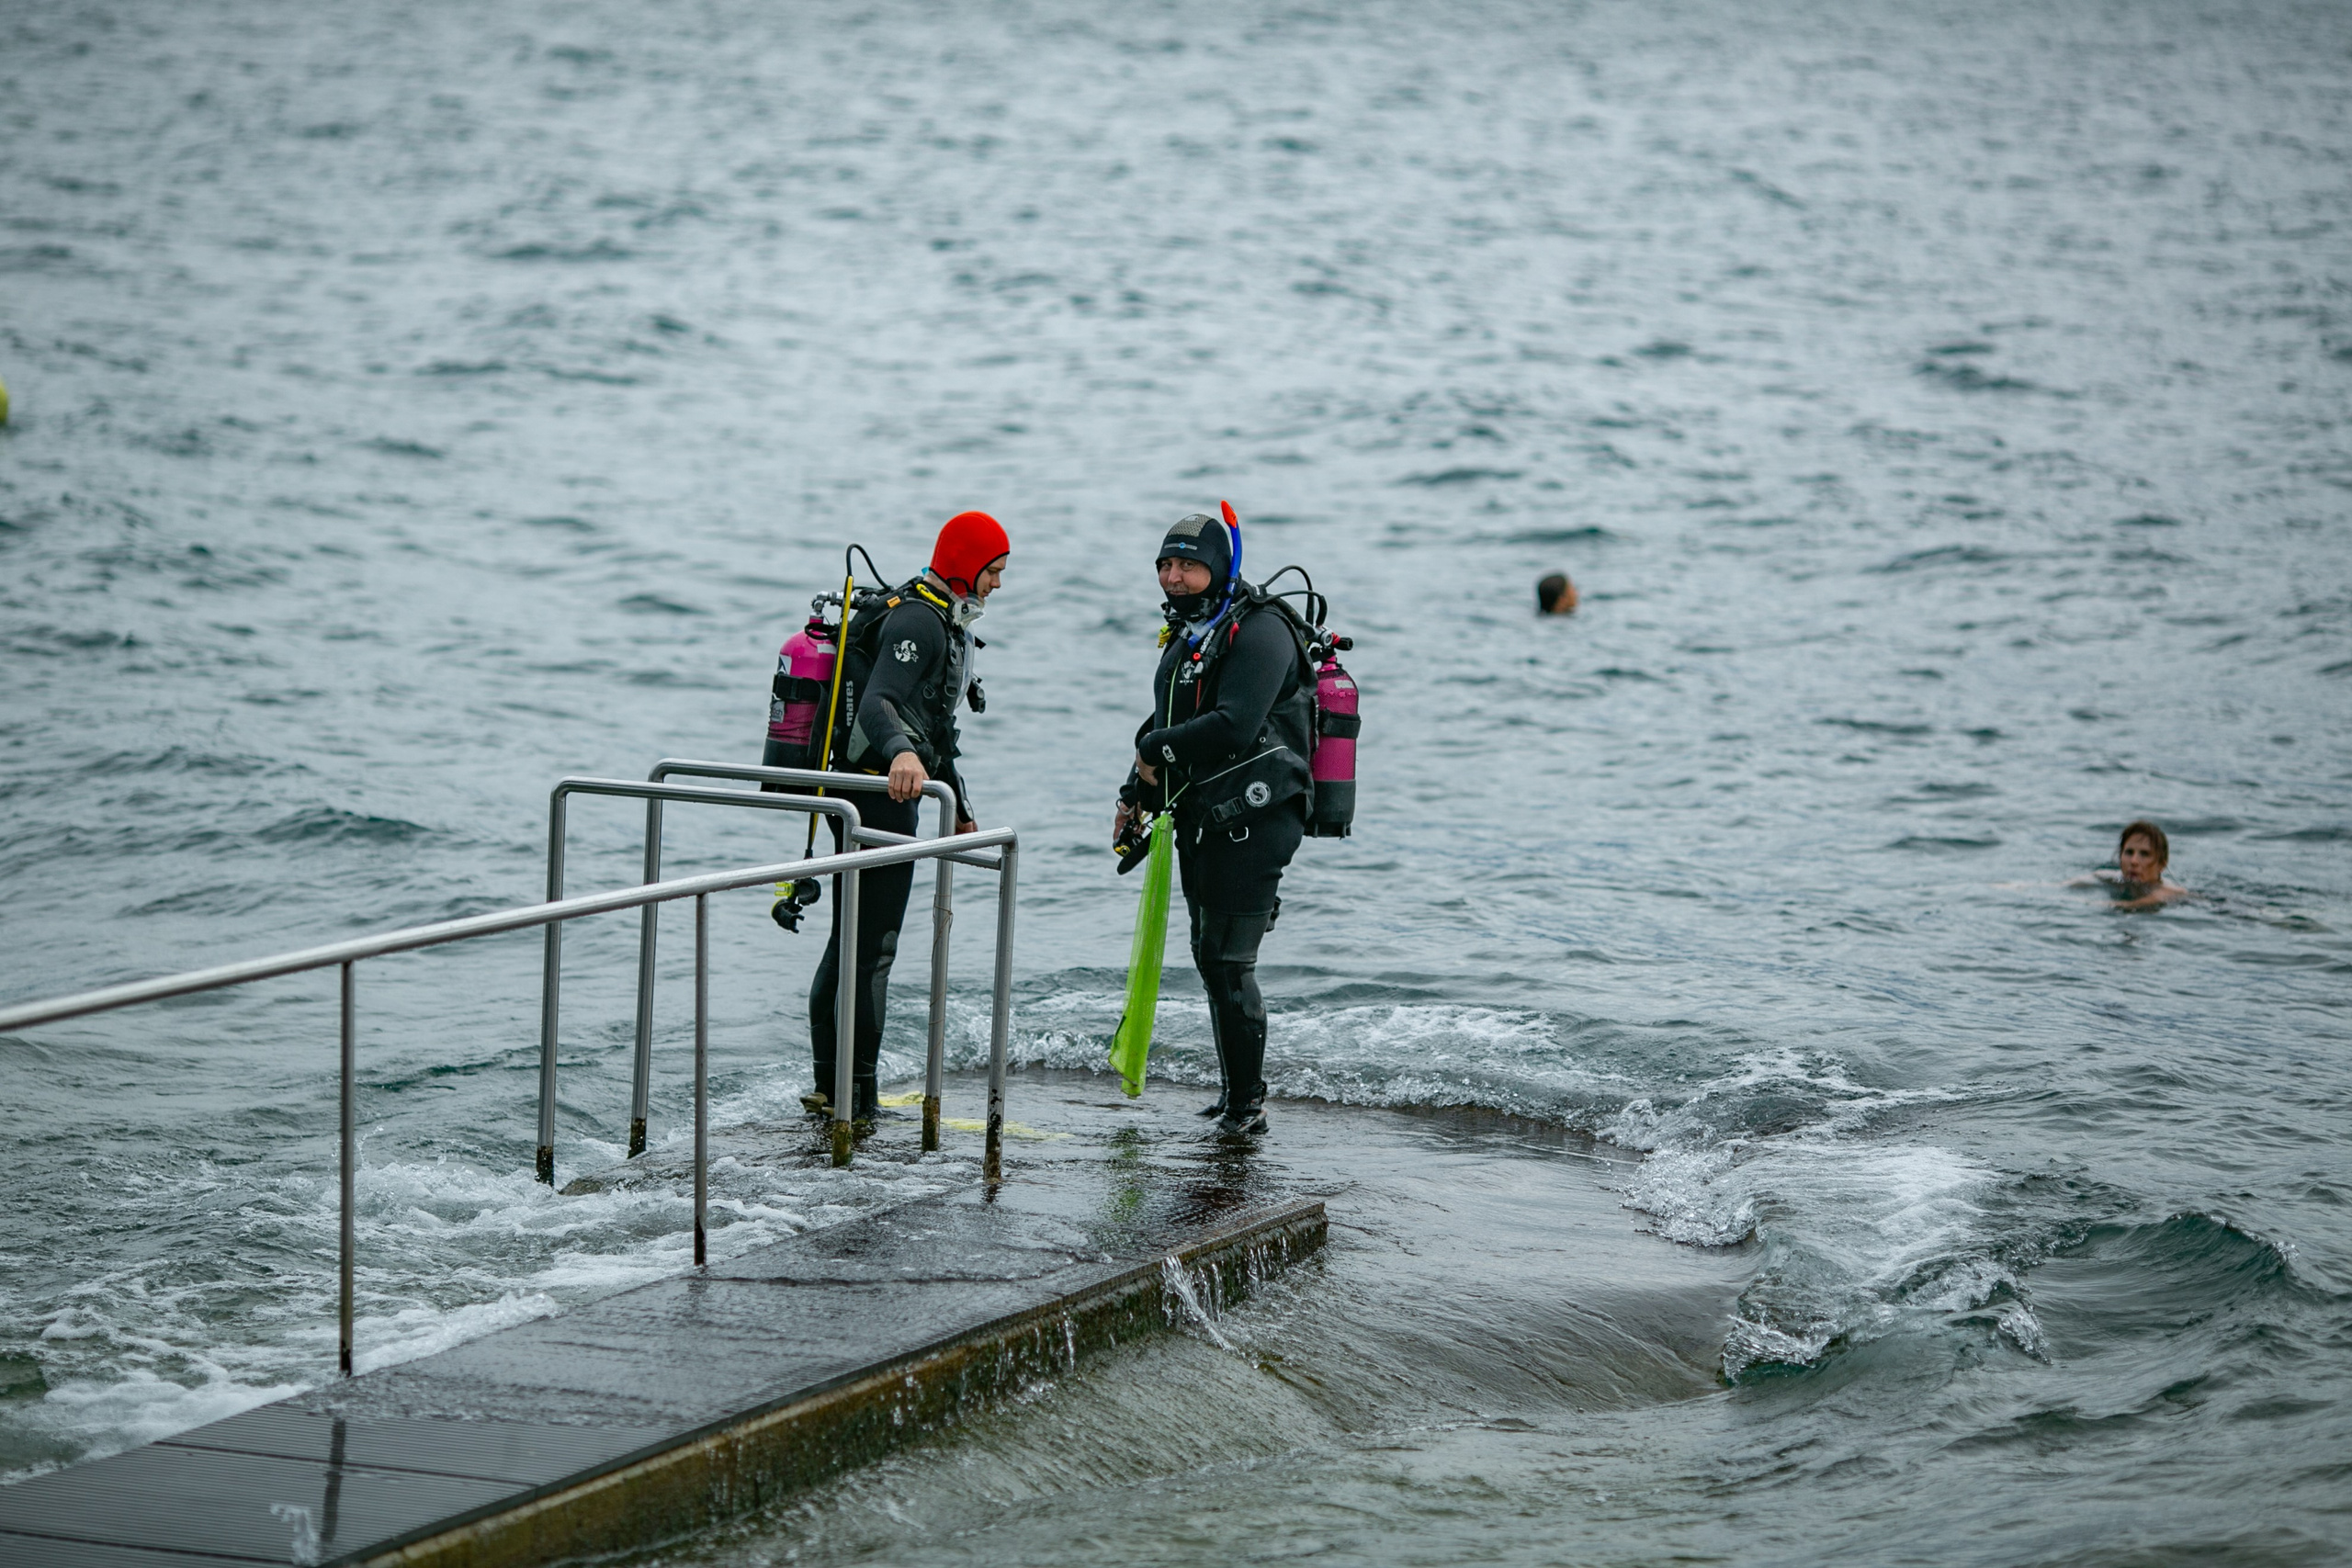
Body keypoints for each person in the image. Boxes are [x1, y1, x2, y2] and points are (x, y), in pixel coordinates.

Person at [1114, 511, 1315, 1135]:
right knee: (1211, 955)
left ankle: (1247, 1107)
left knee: (1230, 961)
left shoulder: (1260, 631)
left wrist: (1153, 754)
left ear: (1220, 568)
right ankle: (1233, 1095)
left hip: (1258, 814)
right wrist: (1134, 791)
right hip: (1206, 812)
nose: (1174, 577)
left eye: (1188, 566)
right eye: (1165, 565)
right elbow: (1163, 721)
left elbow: (1231, 724)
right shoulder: (1194, 632)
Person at [806, 510, 1009, 1126]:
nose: (997, 584)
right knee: (872, 951)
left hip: (884, 793)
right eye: (993, 571)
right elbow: (879, 703)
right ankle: (856, 1099)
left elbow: (934, 728)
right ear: (965, 567)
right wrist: (898, 754)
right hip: (874, 798)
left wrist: (961, 807)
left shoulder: (941, 615)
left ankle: (833, 1089)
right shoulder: (919, 618)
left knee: (852, 945)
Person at [2107, 818, 2188, 910]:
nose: (2134, 861)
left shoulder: (2170, 892)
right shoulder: (2109, 877)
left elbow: (2131, 905)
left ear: (2161, 865)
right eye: (2129, 852)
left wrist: (2093, 904)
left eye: (2144, 854)